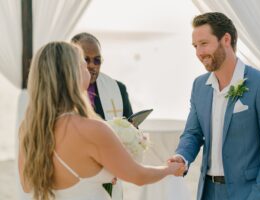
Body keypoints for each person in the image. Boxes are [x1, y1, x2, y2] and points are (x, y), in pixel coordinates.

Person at [18, 41, 184, 200]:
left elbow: (27, 185)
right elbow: (138, 176)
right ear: (72, 74)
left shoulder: (30, 127)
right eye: (83, 64)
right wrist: (169, 169)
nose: (89, 69)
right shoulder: (91, 129)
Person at [169, 12, 260, 200]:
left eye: (204, 44)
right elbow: (193, 133)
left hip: (249, 193)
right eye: (195, 46)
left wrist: (259, 196)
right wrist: (181, 157)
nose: (199, 52)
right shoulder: (199, 86)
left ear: (225, 39)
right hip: (208, 192)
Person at [71, 32, 132, 199]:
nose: (92, 65)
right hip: (76, 180)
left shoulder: (118, 89)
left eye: (97, 60)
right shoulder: (62, 94)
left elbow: (132, 128)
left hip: (113, 177)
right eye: (86, 60)